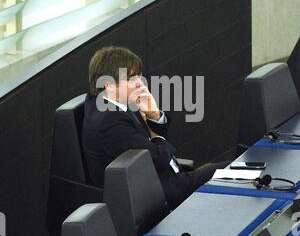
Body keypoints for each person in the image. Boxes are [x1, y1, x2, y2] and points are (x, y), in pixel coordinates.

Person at [82, 46, 227, 209]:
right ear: (108, 85)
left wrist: (154, 115)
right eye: (131, 78)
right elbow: (157, 158)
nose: (140, 83)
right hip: (156, 192)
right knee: (227, 173)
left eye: (139, 75)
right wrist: (157, 138)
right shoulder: (109, 122)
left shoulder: (113, 101)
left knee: (229, 170)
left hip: (164, 176)